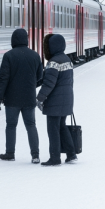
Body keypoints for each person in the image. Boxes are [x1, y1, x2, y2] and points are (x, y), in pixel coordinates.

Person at [0, 29, 43, 163]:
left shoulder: (9, 56)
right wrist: (30, 84)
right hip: (29, 97)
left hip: (12, 98)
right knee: (31, 125)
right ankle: (35, 155)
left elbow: (3, 78)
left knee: (11, 125)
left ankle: (10, 153)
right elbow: (40, 76)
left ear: (13, 40)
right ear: (26, 40)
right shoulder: (35, 55)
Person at [36, 34, 76, 166]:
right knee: (62, 127)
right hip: (67, 98)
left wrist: (40, 98)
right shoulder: (67, 60)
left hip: (55, 101)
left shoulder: (53, 62)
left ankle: (55, 158)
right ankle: (71, 154)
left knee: (53, 129)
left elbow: (49, 84)